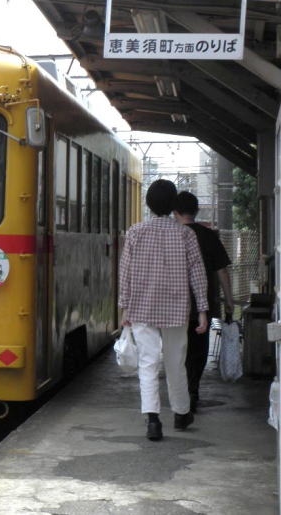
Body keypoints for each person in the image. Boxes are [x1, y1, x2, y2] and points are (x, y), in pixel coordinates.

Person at [119, 179, 209, 441]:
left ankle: (153, 421)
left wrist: (125, 308)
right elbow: (197, 273)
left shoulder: (135, 232)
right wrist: (202, 309)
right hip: (176, 308)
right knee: (175, 363)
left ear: (148, 203)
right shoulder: (186, 234)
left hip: (142, 307)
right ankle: (181, 414)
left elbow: (125, 273)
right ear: (173, 205)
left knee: (148, 363)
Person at [173, 191, 235, 412]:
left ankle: (181, 395)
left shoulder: (172, 235)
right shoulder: (209, 236)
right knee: (198, 351)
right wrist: (229, 300)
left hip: (174, 305)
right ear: (196, 211)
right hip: (202, 304)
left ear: (175, 212)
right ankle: (193, 390)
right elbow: (222, 271)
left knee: (177, 351)